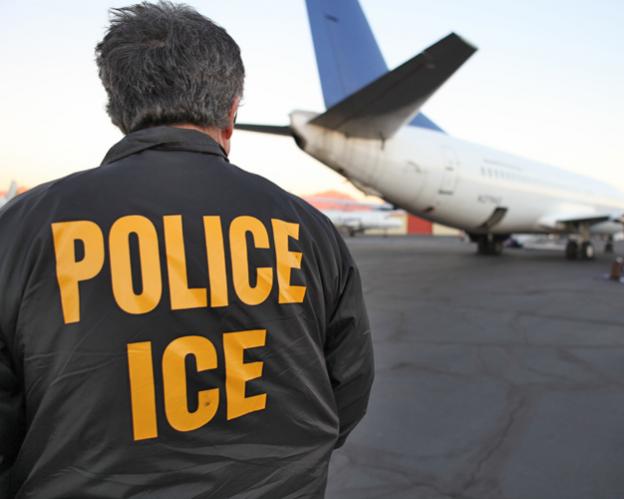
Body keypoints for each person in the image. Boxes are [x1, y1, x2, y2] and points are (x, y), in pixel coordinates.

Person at [0, 2, 374, 497]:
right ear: (232, 111)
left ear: (118, 108)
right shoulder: (308, 228)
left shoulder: (23, 226)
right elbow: (348, 384)